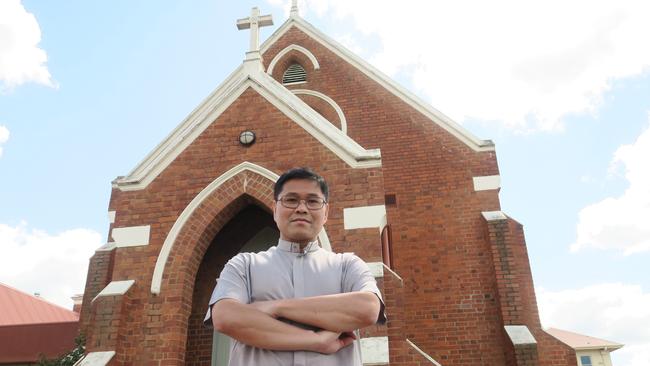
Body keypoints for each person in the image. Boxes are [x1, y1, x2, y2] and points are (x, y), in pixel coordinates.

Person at [204, 167, 386, 366]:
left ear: (326, 213)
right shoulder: (244, 264)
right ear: (275, 210)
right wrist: (316, 341)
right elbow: (225, 316)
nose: (301, 208)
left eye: (313, 201)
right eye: (291, 200)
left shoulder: (347, 265)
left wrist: (274, 307)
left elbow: (368, 309)